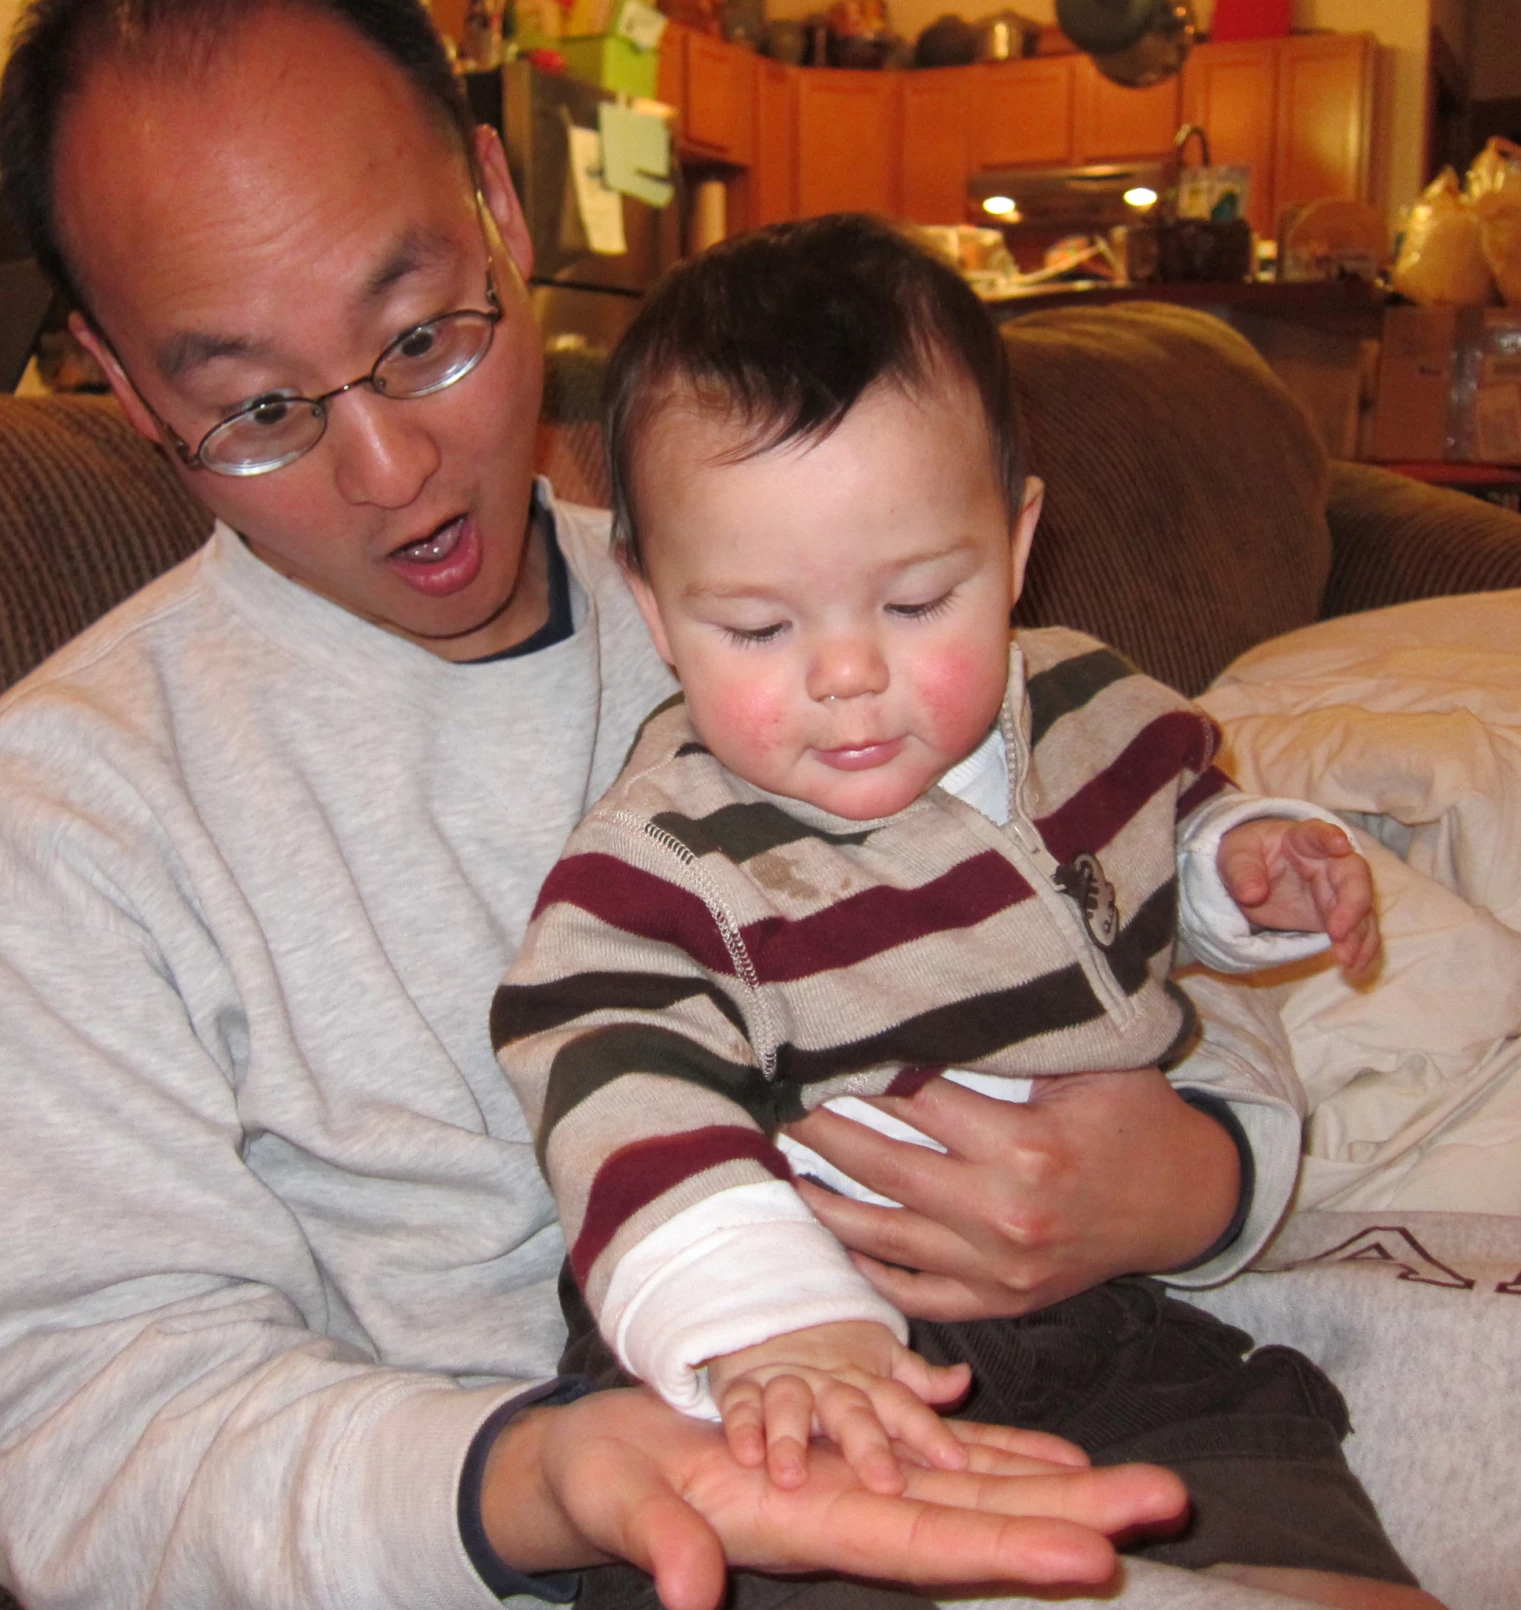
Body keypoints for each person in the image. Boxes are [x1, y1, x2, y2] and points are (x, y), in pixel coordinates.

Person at [0, 0, 1341, 1607]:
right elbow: (57, 1430)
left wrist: (1189, 1173)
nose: (390, 464)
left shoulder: (798, 594)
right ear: (122, 384)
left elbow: (1144, 892)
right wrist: (549, 1476)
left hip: (1112, 1368)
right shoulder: (47, 836)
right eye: (260, 408)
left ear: (497, 198)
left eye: (421, 333)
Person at [494, 216, 1426, 1610]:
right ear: (655, 606)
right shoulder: (670, 856)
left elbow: (1152, 857)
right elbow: (608, 1070)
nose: (851, 674)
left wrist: (1244, 872)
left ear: (1019, 541)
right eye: (758, 628)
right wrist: (777, 1330)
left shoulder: (1088, 707)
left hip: (1108, 1318)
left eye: (922, 598)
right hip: (788, 1351)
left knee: (1296, 1510)